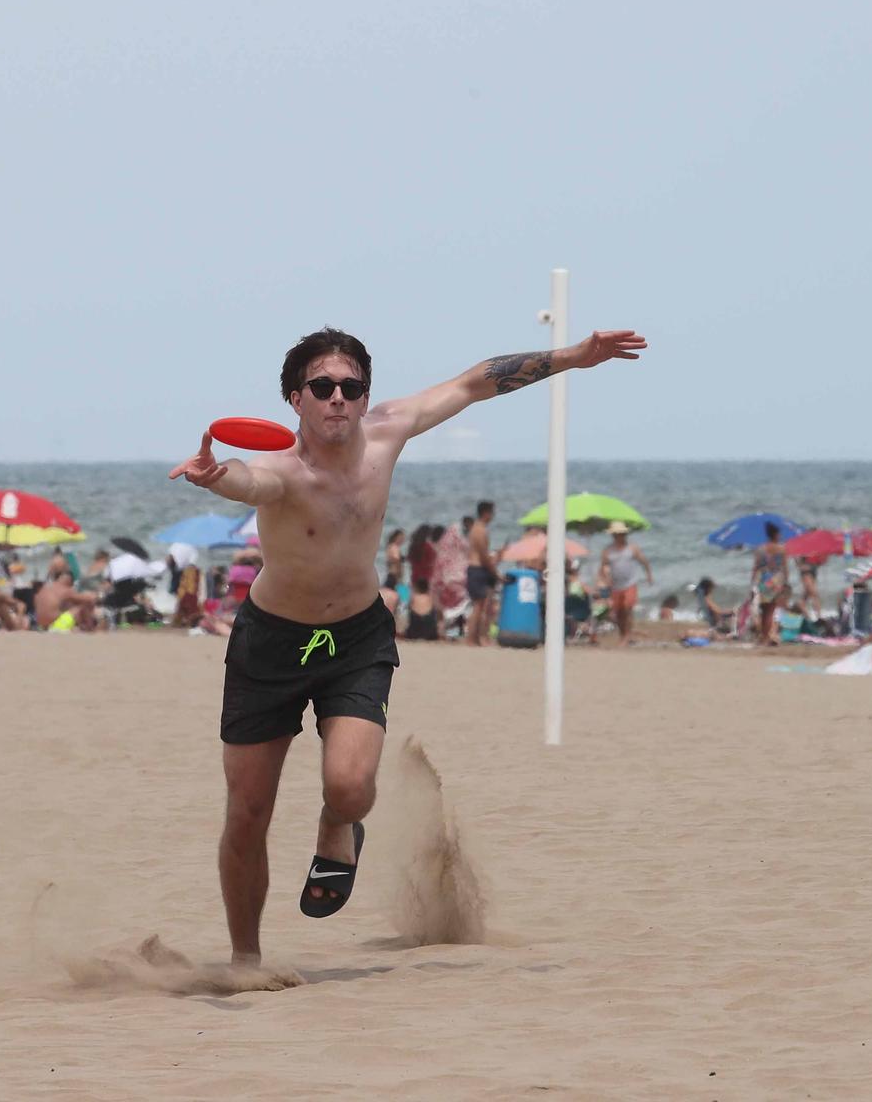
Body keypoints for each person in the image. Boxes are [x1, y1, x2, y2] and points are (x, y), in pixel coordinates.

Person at [169, 323, 645, 966]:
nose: (337, 397)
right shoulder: (281, 470)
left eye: (350, 387)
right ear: (295, 398)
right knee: (249, 810)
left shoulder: (389, 432)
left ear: (366, 397)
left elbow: (476, 382)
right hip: (273, 645)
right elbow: (248, 482)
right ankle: (245, 959)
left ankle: (338, 825)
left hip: (355, 637)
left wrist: (575, 357)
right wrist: (212, 477)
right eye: (322, 387)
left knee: (351, 787)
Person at [597, 521, 653, 646]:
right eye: (617, 534)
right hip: (615, 585)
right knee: (619, 612)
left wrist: (649, 575)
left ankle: (627, 636)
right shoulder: (608, 551)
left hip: (630, 583)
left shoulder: (632, 548)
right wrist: (604, 580)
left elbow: (643, 561)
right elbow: (603, 566)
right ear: (613, 536)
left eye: (622, 534)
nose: (620, 536)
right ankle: (624, 635)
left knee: (628, 607)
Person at [750, 522, 790, 646]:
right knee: (770, 611)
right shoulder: (781, 549)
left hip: (763, 580)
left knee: (764, 610)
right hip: (775, 582)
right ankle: (766, 638)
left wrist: (752, 583)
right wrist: (785, 583)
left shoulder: (760, 549)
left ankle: (763, 636)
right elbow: (784, 568)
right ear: (775, 534)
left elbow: (755, 568)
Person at [465, 501, 498, 646]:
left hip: (476, 569)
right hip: (477, 569)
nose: (493, 516)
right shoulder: (480, 530)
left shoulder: (476, 528)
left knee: (480, 605)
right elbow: (483, 556)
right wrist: (495, 573)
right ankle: (471, 638)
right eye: (492, 512)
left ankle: (476, 638)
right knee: (479, 606)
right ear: (486, 513)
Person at [402, 577, 440, 641]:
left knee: (410, 614)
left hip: (415, 629)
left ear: (417, 587)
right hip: (429, 630)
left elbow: (406, 609)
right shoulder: (431, 598)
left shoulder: (413, 598)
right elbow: (439, 611)